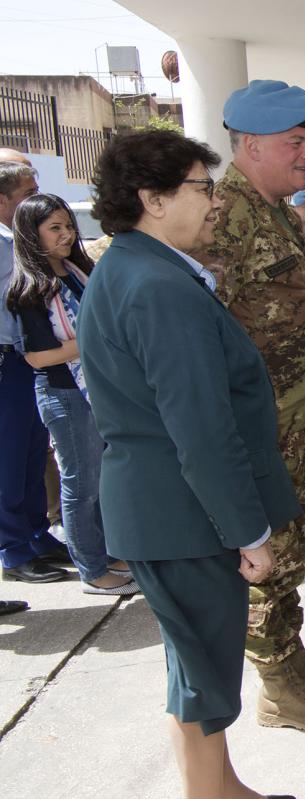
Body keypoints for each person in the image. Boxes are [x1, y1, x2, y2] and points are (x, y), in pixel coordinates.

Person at [79, 128, 302, 799]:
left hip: (163, 509)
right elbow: (201, 429)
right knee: (204, 677)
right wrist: (248, 531)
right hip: (183, 514)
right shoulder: (158, 286)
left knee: (193, 666)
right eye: (203, 188)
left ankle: (223, 787)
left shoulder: (136, 267)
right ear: (152, 198)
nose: (216, 201)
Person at [198, 79, 305, 732]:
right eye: (296, 142)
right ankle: (275, 686)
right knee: (264, 559)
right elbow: (202, 332)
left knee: (292, 554)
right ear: (253, 145)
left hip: (293, 421)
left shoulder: (278, 213)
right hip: (259, 430)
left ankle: (292, 660)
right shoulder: (223, 218)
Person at [5, 194, 136, 594]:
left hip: (98, 388)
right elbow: (38, 357)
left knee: (103, 482)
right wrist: (92, 340)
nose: (66, 234)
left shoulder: (79, 271)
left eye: (68, 226)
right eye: (55, 228)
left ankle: (107, 553)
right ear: (32, 234)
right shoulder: (29, 288)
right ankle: (92, 571)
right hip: (65, 394)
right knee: (81, 486)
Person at [1, 160, 69, 585]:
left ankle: (35, 535)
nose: (36, 199)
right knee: (8, 458)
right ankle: (13, 549)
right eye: (27, 194)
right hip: (6, 360)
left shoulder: (14, 242)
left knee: (30, 453)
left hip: (23, 359)